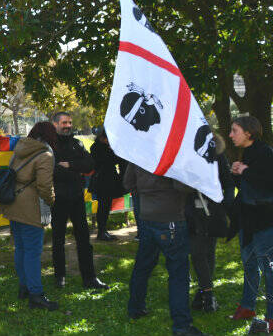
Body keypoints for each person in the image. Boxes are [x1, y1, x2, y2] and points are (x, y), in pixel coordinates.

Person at [123, 163, 206, 336]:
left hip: (147, 216)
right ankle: (182, 326)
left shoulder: (139, 152)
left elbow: (128, 182)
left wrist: (148, 192)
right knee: (178, 273)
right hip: (170, 218)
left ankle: (135, 307)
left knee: (143, 265)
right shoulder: (169, 150)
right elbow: (181, 185)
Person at [228, 116, 273, 332]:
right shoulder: (248, 152)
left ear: (248, 133)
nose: (231, 135)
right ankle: (248, 307)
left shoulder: (265, 151)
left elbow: (271, 184)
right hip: (247, 220)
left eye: (235, 130)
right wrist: (236, 174)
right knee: (249, 265)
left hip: (263, 222)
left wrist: (244, 171)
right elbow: (248, 186)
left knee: (270, 269)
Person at [0, 121, 58, 310]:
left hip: (13, 204)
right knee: (32, 252)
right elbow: (45, 187)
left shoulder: (20, 148)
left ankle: (24, 288)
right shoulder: (45, 155)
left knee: (21, 249)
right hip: (31, 207)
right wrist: (51, 200)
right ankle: (36, 295)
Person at [50, 112, 108, 290]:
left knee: (84, 239)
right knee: (58, 239)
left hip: (76, 198)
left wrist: (70, 165)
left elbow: (90, 164)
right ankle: (59, 277)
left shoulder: (77, 143)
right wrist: (75, 169)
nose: (67, 125)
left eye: (69, 122)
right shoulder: (49, 145)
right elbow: (52, 170)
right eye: (63, 123)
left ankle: (90, 278)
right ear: (54, 124)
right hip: (57, 199)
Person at [187, 134, 234, 312]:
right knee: (198, 252)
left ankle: (204, 292)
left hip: (213, 210)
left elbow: (228, 183)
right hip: (192, 211)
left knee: (208, 252)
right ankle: (207, 293)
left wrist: (225, 203)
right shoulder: (188, 156)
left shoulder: (218, 156)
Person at [89, 127, 126, 241]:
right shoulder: (96, 148)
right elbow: (109, 160)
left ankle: (103, 230)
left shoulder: (105, 147)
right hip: (102, 181)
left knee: (106, 206)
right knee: (103, 207)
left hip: (109, 180)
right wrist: (112, 151)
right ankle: (101, 231)